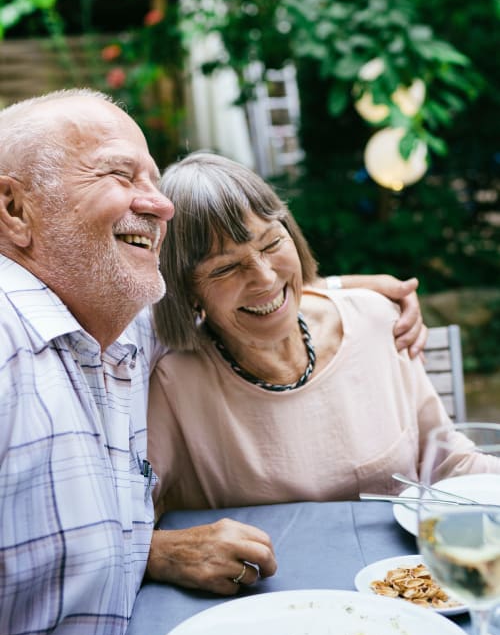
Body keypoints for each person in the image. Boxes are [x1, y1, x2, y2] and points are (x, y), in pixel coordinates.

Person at [0, 89, 427, 635]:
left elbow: (231, 295)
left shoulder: (119, 324)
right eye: (119, 175)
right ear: (13, 209)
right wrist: (160, 550)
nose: (160, 204)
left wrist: (344, 291)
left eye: (152, 180)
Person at [148, 151, 500, 564]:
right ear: (188, 290)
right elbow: (138, 520)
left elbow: (446, 463)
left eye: (272, 243)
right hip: (270, 600)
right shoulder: (176, 383)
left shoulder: (375, 321)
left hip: (404, 582)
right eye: (226, 269)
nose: (264, 278)